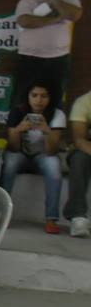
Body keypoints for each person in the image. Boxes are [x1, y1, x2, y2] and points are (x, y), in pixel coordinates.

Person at [0, 80, 67, 234]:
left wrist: (47, 131)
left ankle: (51, 218)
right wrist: (18, 130)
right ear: (28, 97)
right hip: (20, 153)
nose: (39, 100)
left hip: (44, 154)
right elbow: (13, 147)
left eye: (44, 96)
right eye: (34, 95)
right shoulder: (17, 112)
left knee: (54, 167)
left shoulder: (57, 114)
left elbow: (52, 151)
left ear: (50, 98)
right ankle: (1, 213)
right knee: (10, 163)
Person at [13, 0, 82, 107]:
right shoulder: (28, 1)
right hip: (30, 58)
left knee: (54, 99)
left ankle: (51, 122)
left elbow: (74, 15)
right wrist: (56, 19)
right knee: (22, 100)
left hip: (58, 59)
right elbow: (25, 21)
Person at [64, 90, 91, 238]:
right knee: (79, 159)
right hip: (87, 149)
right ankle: (78, 216)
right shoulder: (84, 102)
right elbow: (79, 140)